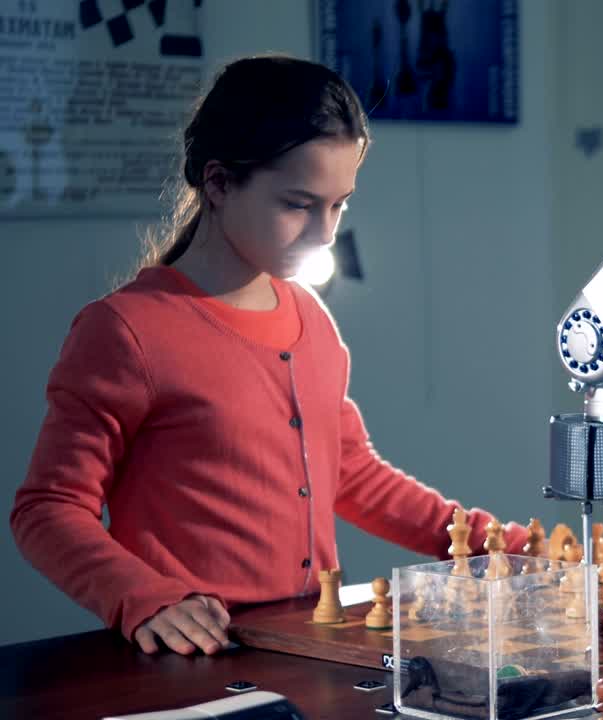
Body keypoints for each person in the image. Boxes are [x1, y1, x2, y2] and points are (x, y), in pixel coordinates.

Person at [10, 55, 528, 657]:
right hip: (188, 659)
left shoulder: (311, 318)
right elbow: (47, 509)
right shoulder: (125, 330)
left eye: (340, 204)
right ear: (220, 182)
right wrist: (142, 597)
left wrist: (491, 544)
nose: (326, 232)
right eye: (299, 204)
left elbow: (351, 473)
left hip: (305, 647)